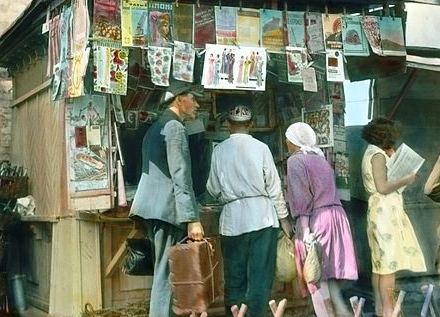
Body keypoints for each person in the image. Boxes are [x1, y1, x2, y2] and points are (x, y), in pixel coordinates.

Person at [206, 105, 292, 317]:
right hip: (262, 219)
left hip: (232, 221)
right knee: (260, 280)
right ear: (251, 125)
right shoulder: (261, 148)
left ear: (228, 125)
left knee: (234, 279)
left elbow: (212, 188)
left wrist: (229, 195)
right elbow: (274, 186)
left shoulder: (219, 150)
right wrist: (284, 220)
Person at [129, 80, 205, 317]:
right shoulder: (175, 128)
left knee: (164, 273)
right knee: (167, 274)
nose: (197, 104)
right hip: (165, 209)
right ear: (179, 99)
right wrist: (192, 218)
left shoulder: (157, 126)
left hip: (152, 208)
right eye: (193, 98)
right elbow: (180, 175)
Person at [284, 122, 358, 317]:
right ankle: (342, 311)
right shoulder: (320, 158)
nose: (286, 143)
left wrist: (304, 230)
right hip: (336, 217)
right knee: (328, 273)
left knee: (314, 274)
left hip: (317, 219)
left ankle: (325, 314)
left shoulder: (295, 161)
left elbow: (302, 198)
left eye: (288, 140)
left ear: (294, 142)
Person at [361, 117, 426, 317]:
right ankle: (388, 310)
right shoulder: (378, 156)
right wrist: (406, 178)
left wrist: (392, 154)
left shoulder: (373, 152)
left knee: (380, 265)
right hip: (384, 213)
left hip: (379, 211)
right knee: (387, 265)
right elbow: (383, 187)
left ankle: (382, 308)